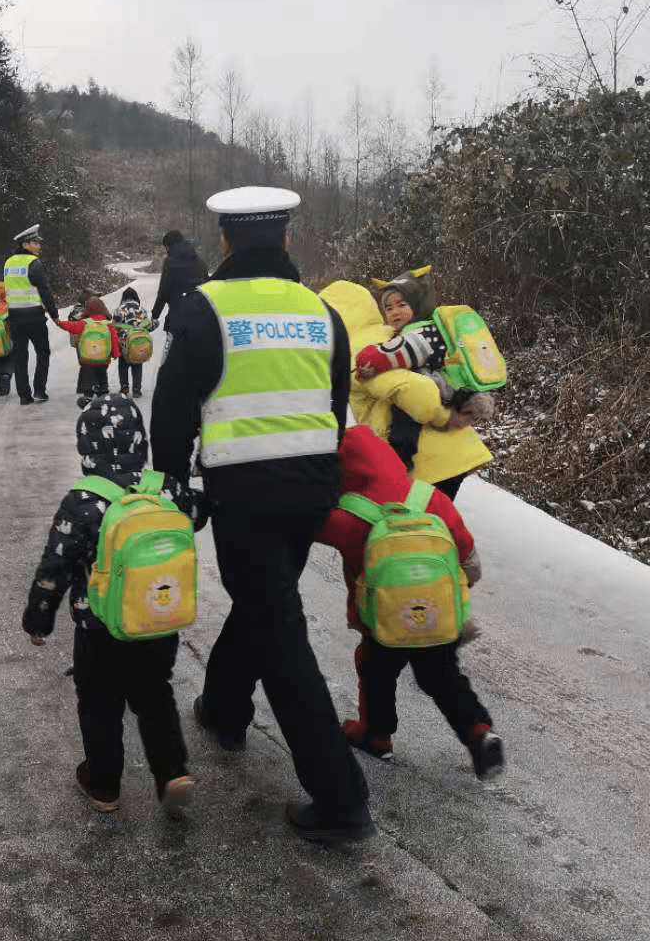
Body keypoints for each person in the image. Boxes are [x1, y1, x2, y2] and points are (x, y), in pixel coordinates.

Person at [150, 185, 376, 845]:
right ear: (286, 239)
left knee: (277, 624)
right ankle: (225, 708)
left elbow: (172, 407)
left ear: (224, 241)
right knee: (266, 601)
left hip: (244, 492)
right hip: (311, 488)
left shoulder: (203, 307)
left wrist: (173, 480)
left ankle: (340, 799)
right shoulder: (322, 310)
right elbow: (334, 404)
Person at [22, 394, 207, 813]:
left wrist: (39, 619)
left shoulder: (83, 501)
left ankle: (104, 785)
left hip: (99, 628)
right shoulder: (163, 488)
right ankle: (172, 772)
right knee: (155, 695)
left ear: (85, 446)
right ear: (141, 441)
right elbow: (199, 513)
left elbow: (55, 565)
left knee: (99, 703)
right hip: (156, 620)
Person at [316, 425, 503, 779]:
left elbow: (303, 524)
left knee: (375, 672)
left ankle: (376, 734)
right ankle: (478, 732)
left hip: (383, 621)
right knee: (442, 676)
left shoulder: (349, 516)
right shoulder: (429, 496)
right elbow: (468, 556)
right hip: (436, 615)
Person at [318, 278, 492, 501]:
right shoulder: (391, 333)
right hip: (450, 451)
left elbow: (414, 390)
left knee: (418, 521)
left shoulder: (357, 351)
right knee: (430, 519)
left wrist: (445, 418)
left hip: (427, 461)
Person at [3, 224, 60, 405]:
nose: (39, 246)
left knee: (20, 356)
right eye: (35, 243)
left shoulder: (8, 263)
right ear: (25, 245)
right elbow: (45, 291)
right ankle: (39, 391)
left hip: (15, 317)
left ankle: (24, 395)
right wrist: (54, 315)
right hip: (34, 316)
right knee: (43, 352)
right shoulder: (34, 263)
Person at [54, 297, 120, 399]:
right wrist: (115, 353)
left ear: (87, 309)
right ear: (103, 308)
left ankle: (88, 394)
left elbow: (72, 326)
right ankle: (103, 391)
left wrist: (60, 323)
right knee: (102, 375)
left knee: (87, 375)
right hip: (103, 359)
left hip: (87, 358)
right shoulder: (108, 325)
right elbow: (114, 340)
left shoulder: (84, 323)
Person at [150, 230, 208, 333]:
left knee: (174, 342)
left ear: (168, 246)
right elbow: (207, 286)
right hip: (201, 317)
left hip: (178, 318)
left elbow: (164, 292)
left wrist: (155, 315)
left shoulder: (170, 262)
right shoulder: (200, 260)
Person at [112, 286, 153, 398]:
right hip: (138, 342)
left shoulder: (119, 309)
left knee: (123, 365)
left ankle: (124, 388)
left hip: (124, 342)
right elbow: (147, 326)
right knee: (137, 364)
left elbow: (114, 327)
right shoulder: (141, 309)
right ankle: (136, 390)